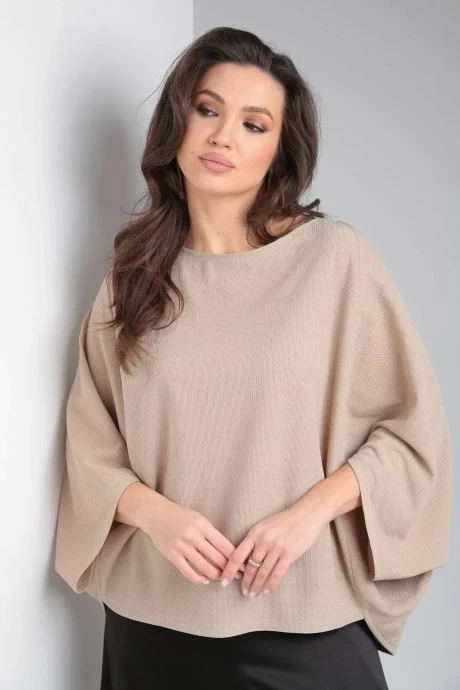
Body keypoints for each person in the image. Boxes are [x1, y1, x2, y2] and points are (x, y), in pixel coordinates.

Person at [54, 26, 452, 690]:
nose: (223, 137)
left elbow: (413, 433)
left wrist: (307, 516)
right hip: (154, 623)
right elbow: (90, 441)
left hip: (303, 618)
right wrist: (159, 517)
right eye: (207, 110)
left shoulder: (334, 261)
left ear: (278, 151)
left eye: (253, 124)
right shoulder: (132, 276)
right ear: (177, 121)